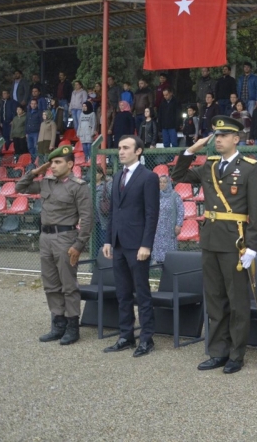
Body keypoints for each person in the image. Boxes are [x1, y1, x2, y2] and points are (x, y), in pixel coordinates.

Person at [170, 116, 257, 373]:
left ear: (236, 138)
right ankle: (218, 351)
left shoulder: (250, 168)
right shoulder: (209, 166)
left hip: (235, 242)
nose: (218, 140)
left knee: (237, 301)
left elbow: (256, 210)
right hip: (210, 239)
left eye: (223, 135)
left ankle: (236, 354)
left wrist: (253, 246)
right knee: (214, 299)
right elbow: (177, 175)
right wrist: (191, 151)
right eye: (215, 136)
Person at [15, 145, 93, 345]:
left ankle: (72, 326)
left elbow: (87, 218)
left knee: (68, 284)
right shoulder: (46, 182)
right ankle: (57, 324)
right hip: (46, 238)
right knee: (50, 284)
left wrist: (79, 244)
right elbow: (19, 188)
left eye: (58, 162)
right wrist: (35, 172)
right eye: (52, 163)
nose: (53, 166)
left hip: (66, 237)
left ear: (70, 164)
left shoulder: (79, 186)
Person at [102, 136, 160, 357]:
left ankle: (146, 338)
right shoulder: (118, 176)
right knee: (123, 293)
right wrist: (108, 240)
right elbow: (113, 213)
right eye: (119, 148)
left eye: (126, 148)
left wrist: (147, 244)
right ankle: (126, 335)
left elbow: (151, 214)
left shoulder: (149, 178)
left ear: (138, 151)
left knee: (142, 292)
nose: (121, 151)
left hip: (137, 246)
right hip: (117, 244)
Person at [152, 175, 184, 263]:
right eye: (160, 182)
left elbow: (180, 211)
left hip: (170, 226)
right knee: (157, 243)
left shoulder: (174, 196)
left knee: (169, 244)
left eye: (164, 182)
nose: (162, 184)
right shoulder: (156, 195)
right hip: (157, 226)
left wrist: (178, 225)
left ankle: (169, 262)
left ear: (169, 183)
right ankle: (157, 261)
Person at [94, 165, 112, 251]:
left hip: (104, 218)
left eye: (96, 173)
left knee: (103, 240)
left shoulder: (106, 185)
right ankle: (95, 262)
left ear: (101, 174)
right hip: (93, 219)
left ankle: (104, 261)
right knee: (94, 242)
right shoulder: (89, 186)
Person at [25, 98, 42, 163]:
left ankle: (36, 161)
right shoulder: (28, 112)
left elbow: (41, 123)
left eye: (35, 104)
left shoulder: (39, 112)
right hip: (29, 133)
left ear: (37, 105)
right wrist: (26, 132)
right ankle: (32, 160)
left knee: (36, 147)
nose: (33, 105)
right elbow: (26, 123)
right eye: (32, 104)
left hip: (36, 132)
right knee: (30, 147)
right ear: (30, 104)